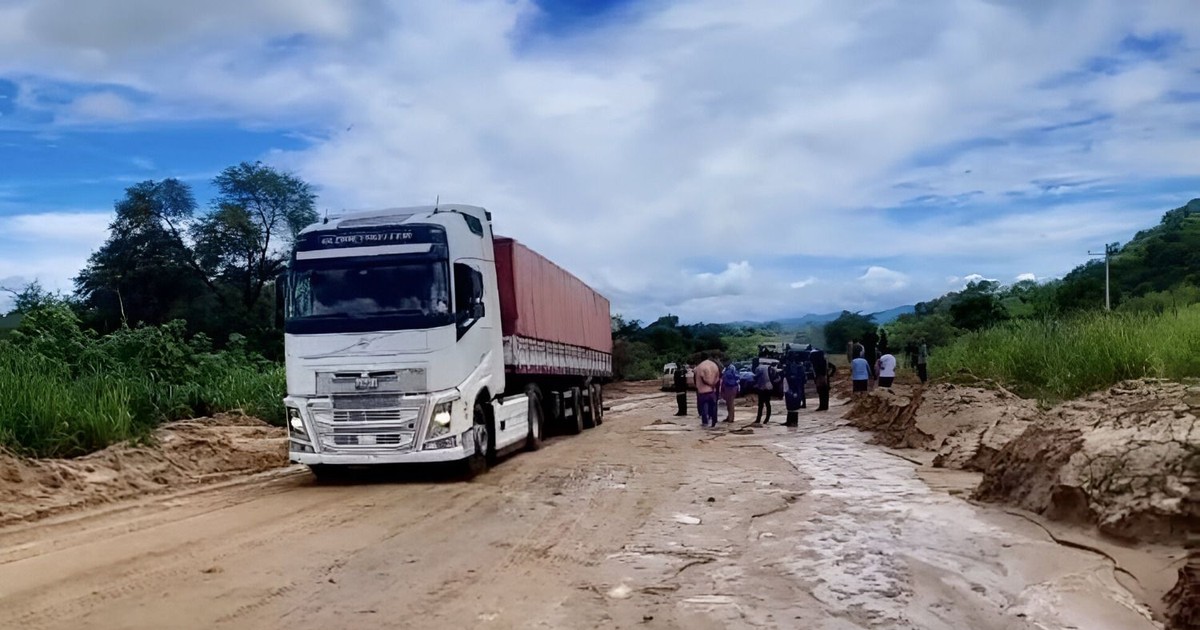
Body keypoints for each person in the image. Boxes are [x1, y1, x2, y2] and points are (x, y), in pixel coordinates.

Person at [694, 356, 721, 428]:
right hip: (712, 391)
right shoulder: (715, 366)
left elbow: (698, 378)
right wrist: (713, 385)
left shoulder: (699, 367)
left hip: (703, 391)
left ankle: (705, 422)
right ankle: (714, 420)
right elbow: (718, 378)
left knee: (704, 407)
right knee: (713, 406)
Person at [783, 358, 807, 426]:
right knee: (791, 405)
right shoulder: (798, 368)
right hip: (793, 389)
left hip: (793, 389)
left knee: (792, 405)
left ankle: (793, 422)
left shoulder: (793, 371)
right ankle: (791, 421)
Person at [809, 346, 831, 411]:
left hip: (821, 379)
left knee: (821, 393)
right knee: (825, 393)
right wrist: (830, 374)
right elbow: (833, 367)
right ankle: (825, 406)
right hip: (825, 379)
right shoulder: (824, 361)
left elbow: (817, 372)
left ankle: (822, 406)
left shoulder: (817, 363)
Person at [754, 359, 773, 424]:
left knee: (761, 404)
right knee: (767, 404)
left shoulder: (758, 368)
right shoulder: (768, 367)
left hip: (762, 388)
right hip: (769, 387)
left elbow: (756, 377)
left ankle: (758, 419)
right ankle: (766, 420)